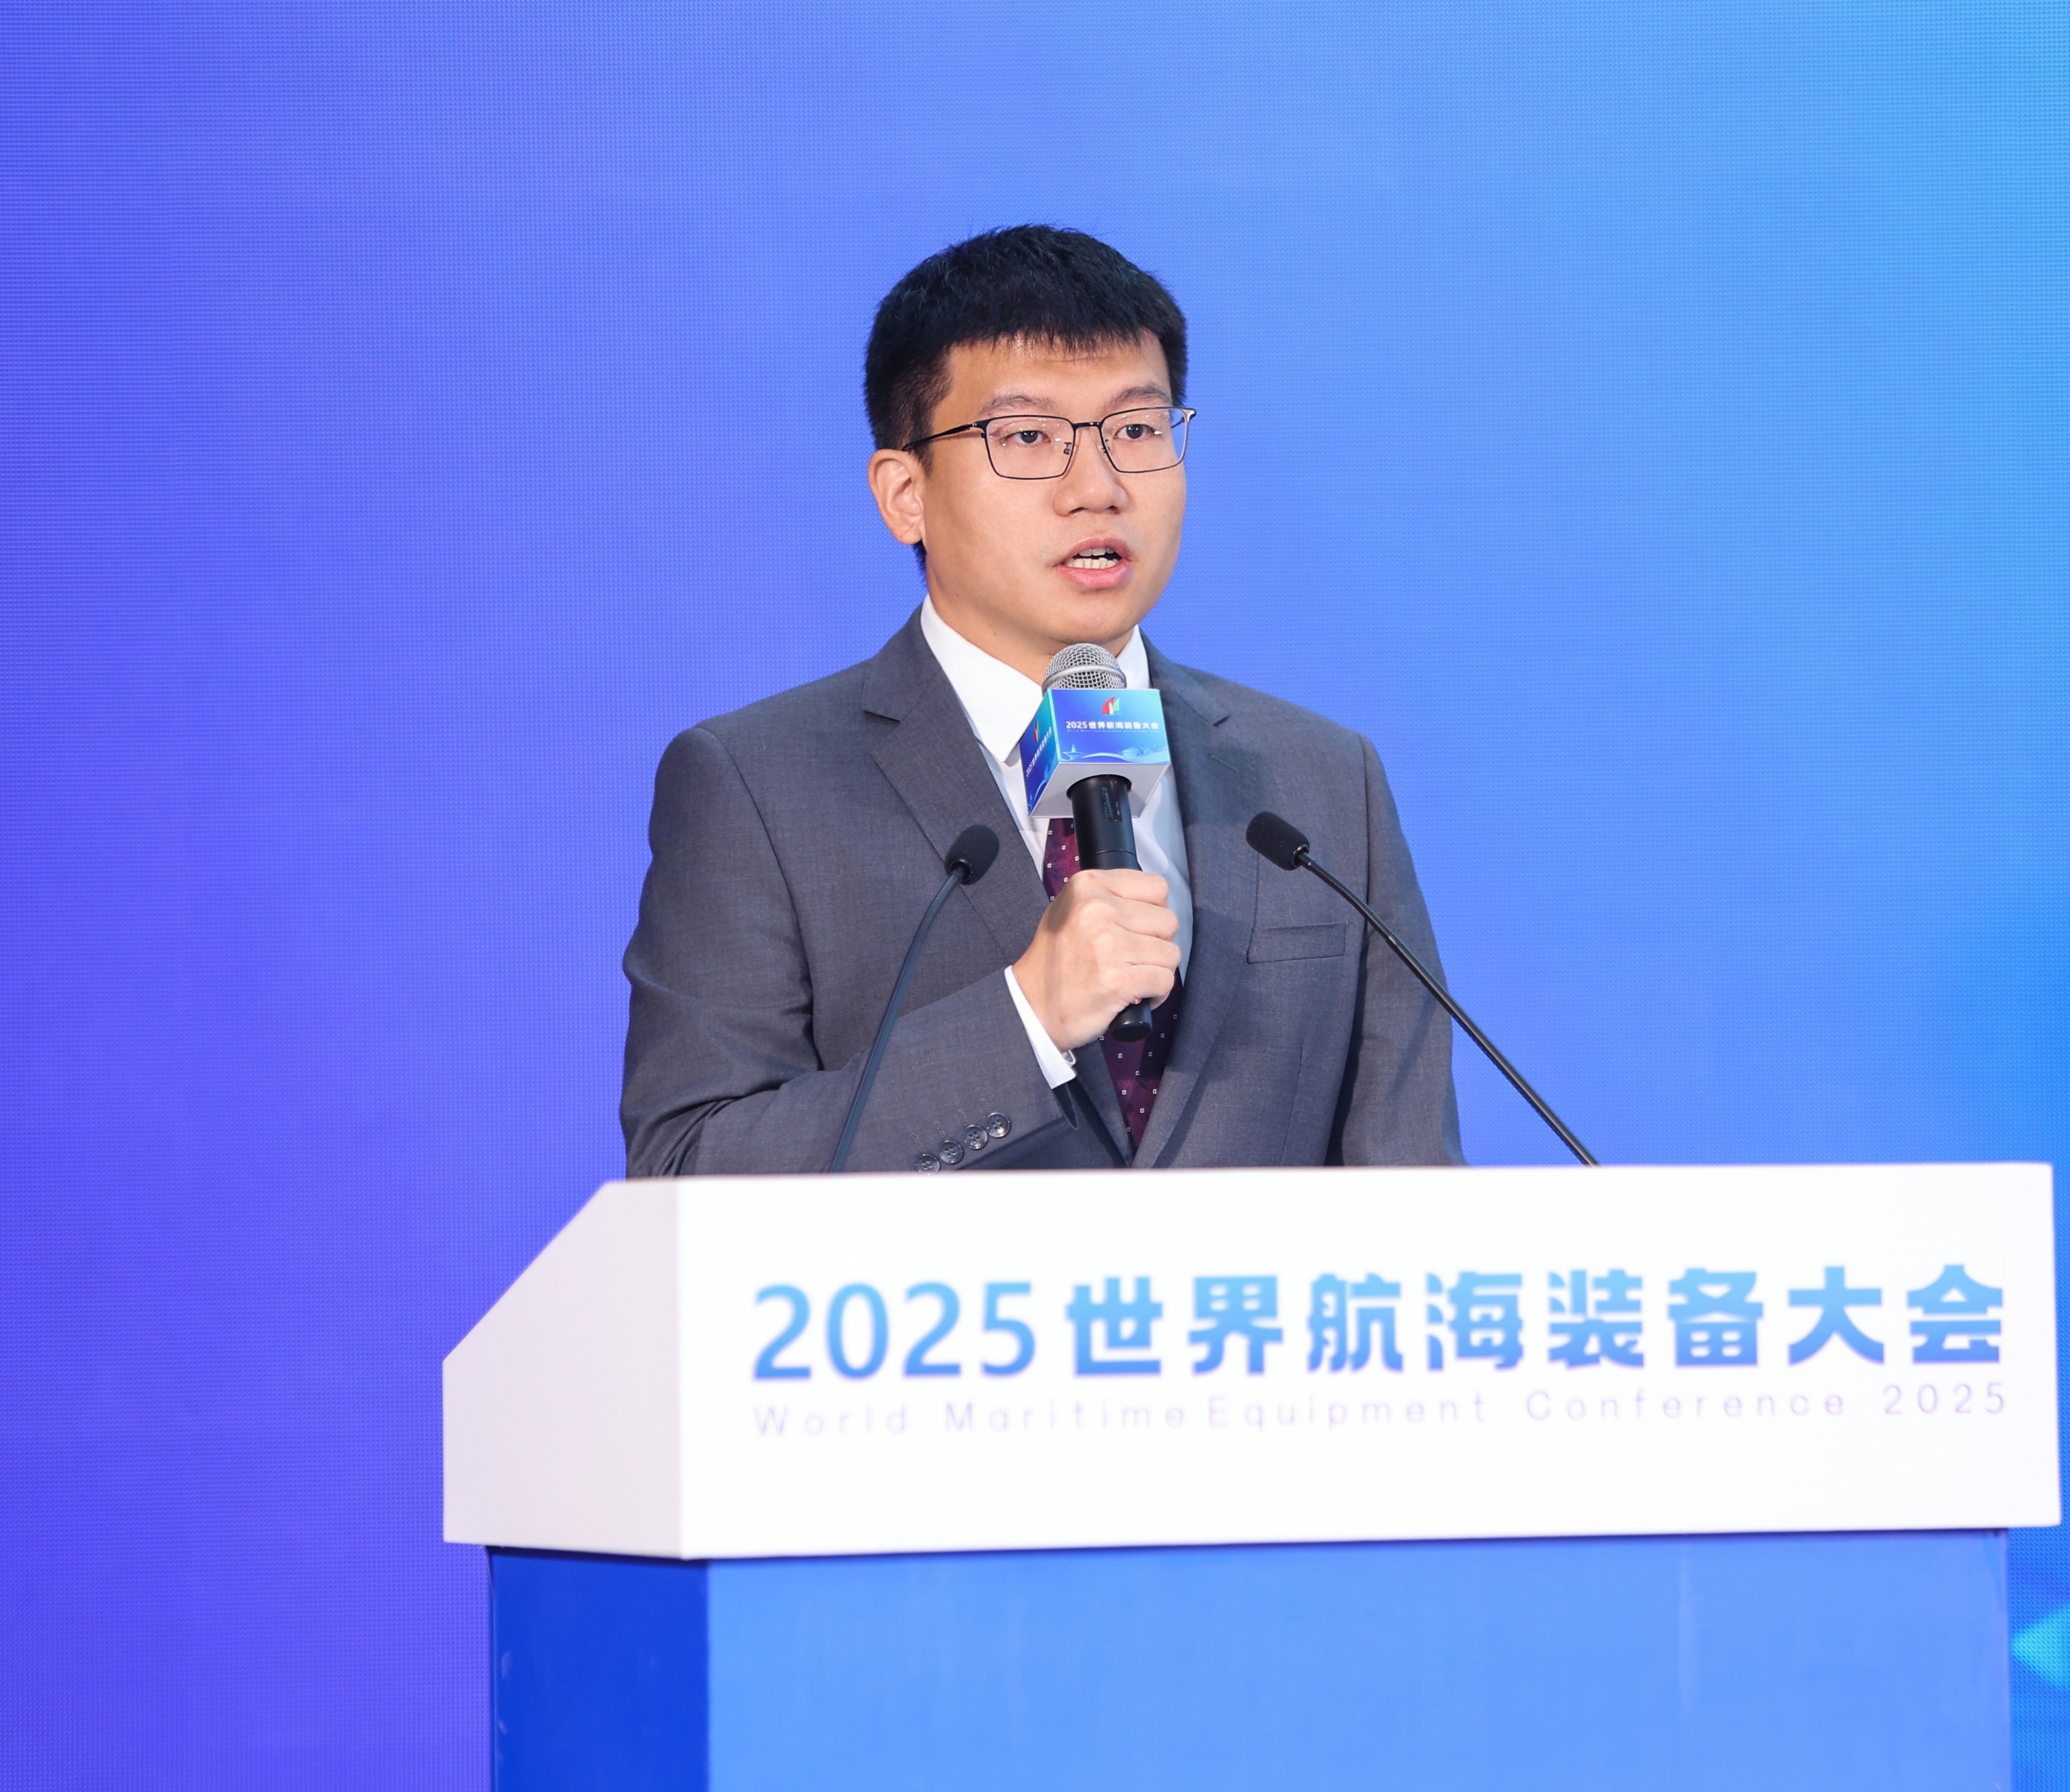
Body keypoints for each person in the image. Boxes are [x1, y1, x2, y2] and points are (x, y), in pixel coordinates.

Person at [620, 225, 1461, 1175]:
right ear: (904, 495)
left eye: (1137, 431)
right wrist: (1025, 1020)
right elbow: (687, 1169)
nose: (1098, 488)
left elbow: (1412, 1187)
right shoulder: (758, 788)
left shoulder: (1320, 780)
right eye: (1027, 437)